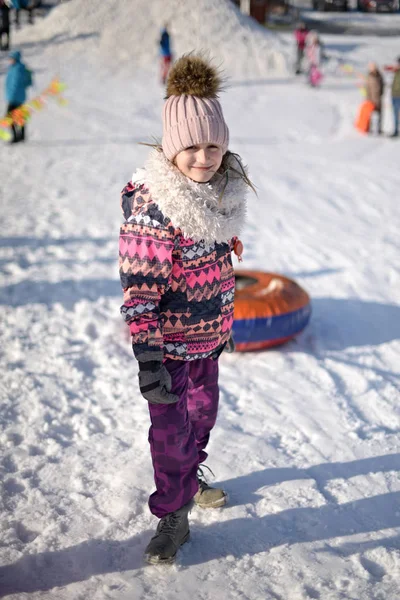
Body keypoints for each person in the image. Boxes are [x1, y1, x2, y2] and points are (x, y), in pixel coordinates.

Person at [119, 54, 251, 565]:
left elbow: (216, 266)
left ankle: (190, 481)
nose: (203, 157)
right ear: (172, 148)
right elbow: (140, 293)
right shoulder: (156, 210)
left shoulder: (218, 196)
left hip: (207, 339)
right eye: (191, 147)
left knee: (202, 417)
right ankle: (172, 513)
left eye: (213, 145)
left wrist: (223, 322)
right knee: (171, 433)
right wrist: (149, 359)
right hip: (167, 348)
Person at [4, 49, 32, 143]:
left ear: (15, 58)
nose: (10, 60)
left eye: (11, 58)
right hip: (19, 97)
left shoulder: (17, 69)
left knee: (9, 117)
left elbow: (15, 84)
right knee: (20, 116)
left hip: (14, 97)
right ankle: (21, 136)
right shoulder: (19, 67)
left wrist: (11, 96)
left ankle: (16, 137)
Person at [365, 62, 384, 135]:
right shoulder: (369, 76)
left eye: (374, 67)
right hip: (371, 99)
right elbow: (367, 88)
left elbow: (383, 85)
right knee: (370, 115)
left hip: (378, 98)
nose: (373, 69)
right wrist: (368, 98)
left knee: (380, 115)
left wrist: (381, 94)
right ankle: (369, 128)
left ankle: (379, 129)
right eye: (372, 68)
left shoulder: (380, 76)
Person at [384, 57, 400, 138]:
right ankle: (396, 130)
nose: (397, 65)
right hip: (394, 96)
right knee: (395, 115)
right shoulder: (395, 72)